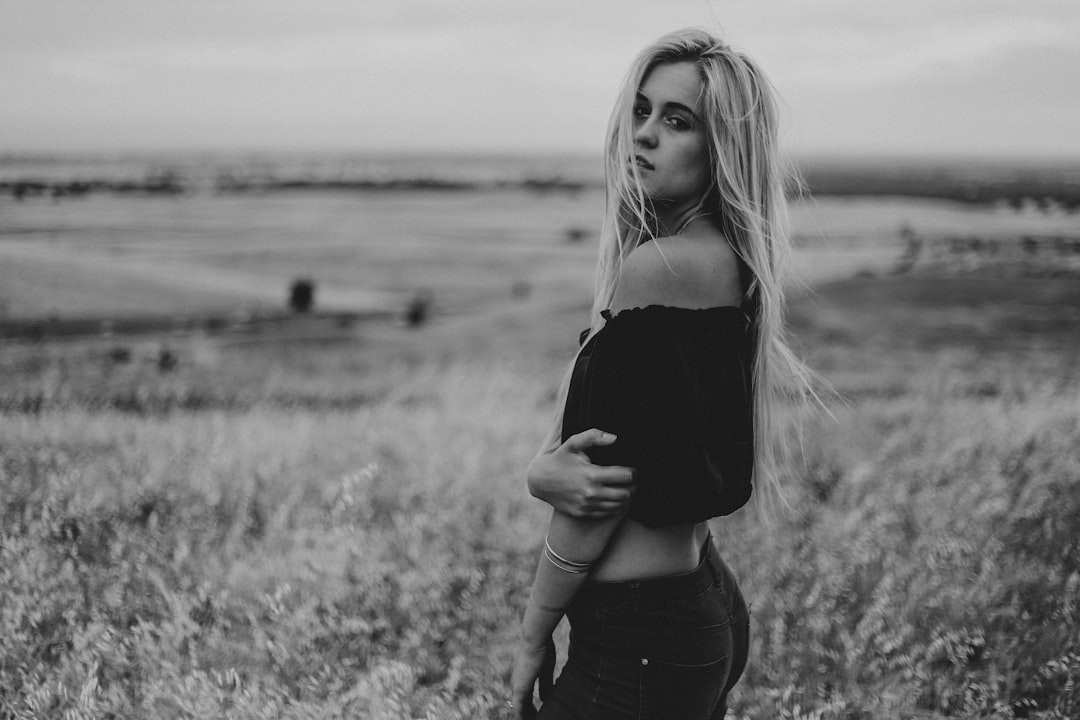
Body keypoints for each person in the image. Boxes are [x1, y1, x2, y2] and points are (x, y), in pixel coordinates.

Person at [507, 28, 819, 719]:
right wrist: (539, 471)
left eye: (677, 121)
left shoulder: (664, 268)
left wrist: (534, 631)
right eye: (640, 111)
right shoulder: (717, 263)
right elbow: (623, 444)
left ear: (721, 150)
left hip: (639, 643)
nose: (643, 135)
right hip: (687, 610)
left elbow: (600, 483)